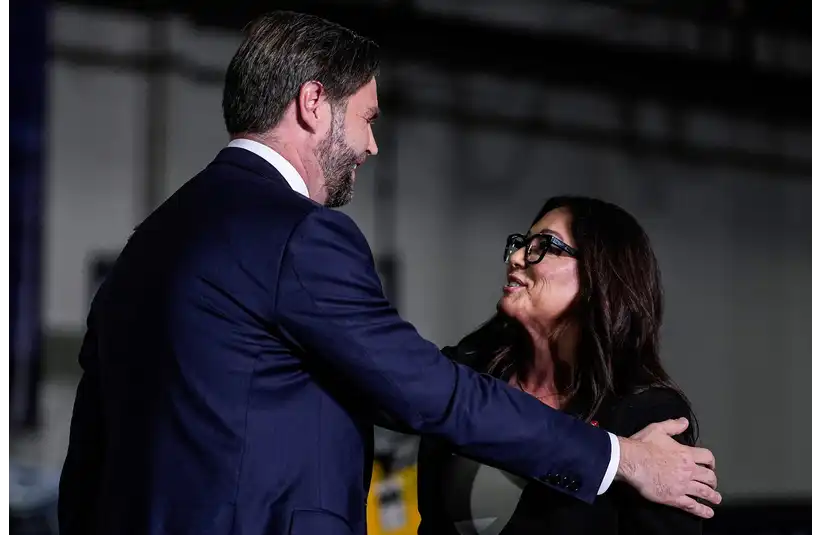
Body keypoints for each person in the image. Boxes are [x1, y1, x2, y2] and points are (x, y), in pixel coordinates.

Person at [57, 11, 719, 535]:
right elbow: (429, 392)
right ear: (315, 102)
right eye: (368, 117)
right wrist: (621, 458)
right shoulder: (300, 234)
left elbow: (88, 451)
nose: (372, 145)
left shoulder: (148, 245)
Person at [417, 196, 706, 535]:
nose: (516, 257)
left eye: (544, 246)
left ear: (598, 274)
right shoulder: (469, 368)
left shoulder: (646, 412)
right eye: (521, 243)